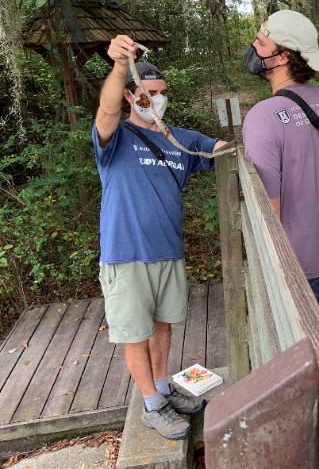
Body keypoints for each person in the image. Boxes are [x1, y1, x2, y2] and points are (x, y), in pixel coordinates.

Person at [93, 35, 227, 440]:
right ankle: (151, 403)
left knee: (164, 325)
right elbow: (105, 110)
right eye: (150, 93)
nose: (158, 99)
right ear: (133, 97)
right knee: (135, 332)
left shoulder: (180, 139)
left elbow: (222, 148)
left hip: (168, 253)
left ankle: (165, 387)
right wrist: (120, 68)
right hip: (126, 254)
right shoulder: (115, 139)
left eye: (163, 93)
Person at [241, 9, 319, 384]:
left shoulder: (263, 116)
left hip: (293, 259)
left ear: (283, 57)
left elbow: (267, 208)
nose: (253, 48)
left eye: (261, 43)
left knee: (296, 350)